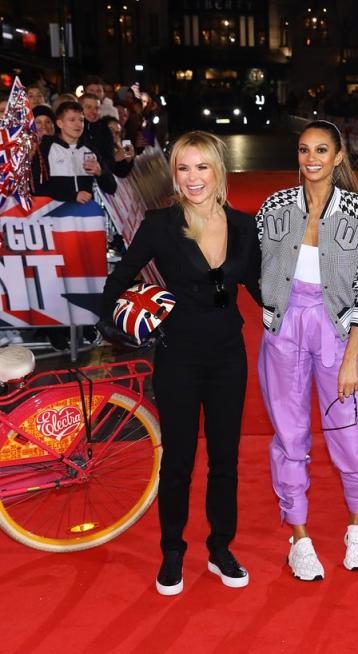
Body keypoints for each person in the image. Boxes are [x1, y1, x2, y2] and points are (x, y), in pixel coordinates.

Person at [97, 131, 262, 596]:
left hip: (229, 356)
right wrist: (123, 324)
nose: (193, 178)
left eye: (202, 167)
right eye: (184, 168)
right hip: (178, 357)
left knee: (225, 460)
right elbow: (118, 282)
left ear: (218, 171)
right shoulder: (159, 224)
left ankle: (220, 548)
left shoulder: (243, 226)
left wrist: (302, 313)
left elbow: (258, 286)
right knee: (180, 461)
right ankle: (173, 552)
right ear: (174, 173)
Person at [256, 120, 358, 581]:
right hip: (284, 330)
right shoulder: (273, 208)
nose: (311, 158)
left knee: (349, 432)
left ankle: (356, 526)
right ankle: (300, 538)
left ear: (338, 157)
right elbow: (254, 269)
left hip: (337, 332)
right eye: (304, 149)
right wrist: (274, 313)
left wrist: (352, 356)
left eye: (321, 150)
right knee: (289, 436)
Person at [31, 101, 117, 203]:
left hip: (86, 215)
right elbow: (36, 187)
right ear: (60, 123)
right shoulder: (45, 149)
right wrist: (72, 195)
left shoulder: (90, 150)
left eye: (81, 120)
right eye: (72, 120)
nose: (78, 124)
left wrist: (100, 173)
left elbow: (112, 187)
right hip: (55, 215)